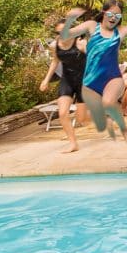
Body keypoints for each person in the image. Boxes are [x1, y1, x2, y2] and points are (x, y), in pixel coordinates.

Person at [60, 0, 127, 145]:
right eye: (111, 14)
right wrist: (69, 20)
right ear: (104, 13)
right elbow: (65, 36)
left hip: (112, 77)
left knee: (108, 102)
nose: (113, 18)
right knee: (85, 118)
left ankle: (124, 130)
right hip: (91, 80)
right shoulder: (91, 26)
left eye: (117, 16)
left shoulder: (122, 31)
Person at [38, 18, 88, 153]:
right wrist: (46, 80)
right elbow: (55, 62)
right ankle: (73, 143)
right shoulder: (56, 45)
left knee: (82, 119)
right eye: (59, 31)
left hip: (83, 82)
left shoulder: (80, 42)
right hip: (67, 80)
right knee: (62, 113)